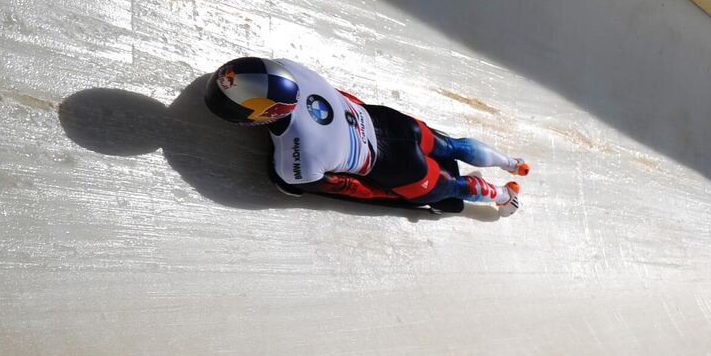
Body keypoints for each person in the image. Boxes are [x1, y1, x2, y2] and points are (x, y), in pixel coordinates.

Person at [204, 57, 526, 213]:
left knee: (452, 187)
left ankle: (503, 196)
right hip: (391, 123)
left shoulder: (293, 162)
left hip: (396, 167)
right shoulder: (290, 66)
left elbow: (351, 188)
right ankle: (512, 162)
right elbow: (343, 95)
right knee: (453, 145)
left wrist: (395, 195)